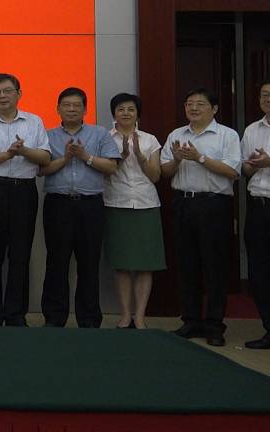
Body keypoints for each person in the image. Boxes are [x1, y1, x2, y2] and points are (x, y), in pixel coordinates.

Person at [0, 72, 52, 327]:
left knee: (20, 253)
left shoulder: (34, 121)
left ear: (19, 94)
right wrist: (7, 155)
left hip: (24, 191)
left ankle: (16, 314)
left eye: (7, 91)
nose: (2, 96)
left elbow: (45, 158)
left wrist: (23, 150)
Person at [161, 87, 241, 347]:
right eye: (189, 103)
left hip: (214, 205)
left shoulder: (227, 135)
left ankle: (215, 325)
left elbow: (233, 171)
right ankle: (191, 320)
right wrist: (176, 159)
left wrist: (199, 157)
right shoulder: (176, 135)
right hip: (183, 203)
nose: (193, 108)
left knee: (214, 266)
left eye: (200, 104)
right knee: (186, 265)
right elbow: (165, 172)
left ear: (214, 109)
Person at [38, 87, 120, 328]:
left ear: (85, 109)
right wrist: (65, 159)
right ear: (58, 109)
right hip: (58, 205)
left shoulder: (99, 134)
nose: (72, 109)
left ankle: (89, 319)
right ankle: (54, 318)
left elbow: (112, 167)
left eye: (77, 105)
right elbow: (40, 170)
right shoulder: (48, 136)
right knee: (56, 262)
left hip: (90, 206)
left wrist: (85, 156)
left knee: (89, 262)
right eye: (66, 105)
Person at [103, 92, 165, 329]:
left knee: (144, 263)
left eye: (131, 109)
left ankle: (139, 316)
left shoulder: (150, 140)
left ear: (138, 113)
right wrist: (121, 157)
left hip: (145, 204)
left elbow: (156, 176)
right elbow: (103, 173)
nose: (126, 113)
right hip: (116, 203)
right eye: (121, 109)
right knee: (121, 263)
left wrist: (139, 156)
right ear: (114, 114)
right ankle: (125, 315)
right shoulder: (105, 138)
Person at [242, 82, 270, 349]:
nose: (267, 99)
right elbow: (245, 169)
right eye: (264, 95)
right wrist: (252, 165)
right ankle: (268, 328)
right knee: (259, 269)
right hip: (258, 206)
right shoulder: (252, 130)